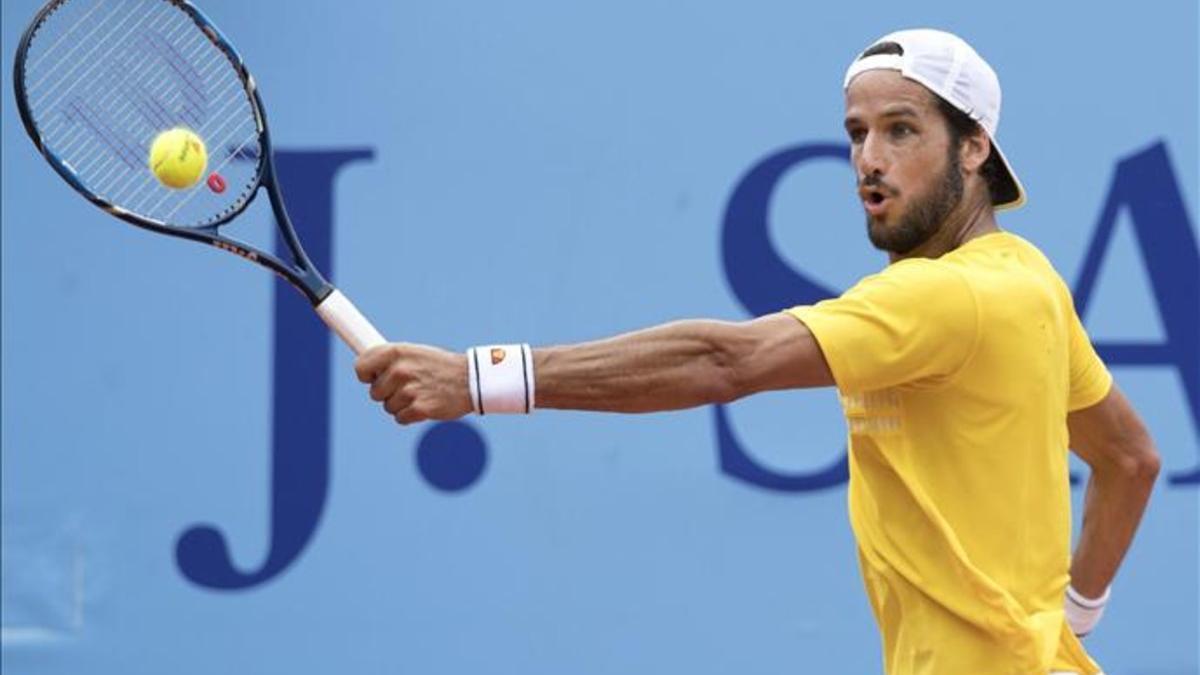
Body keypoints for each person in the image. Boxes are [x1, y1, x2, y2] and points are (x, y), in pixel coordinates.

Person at [354, 29, 1160, 675]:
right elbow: (1128, 457)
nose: (869, 160)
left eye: (902, 130)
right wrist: (1069, 622)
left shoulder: (947, 296)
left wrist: (475, 378)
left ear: (974, 147)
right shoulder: (1029, 277)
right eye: (856, 134)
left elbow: (723, 360)